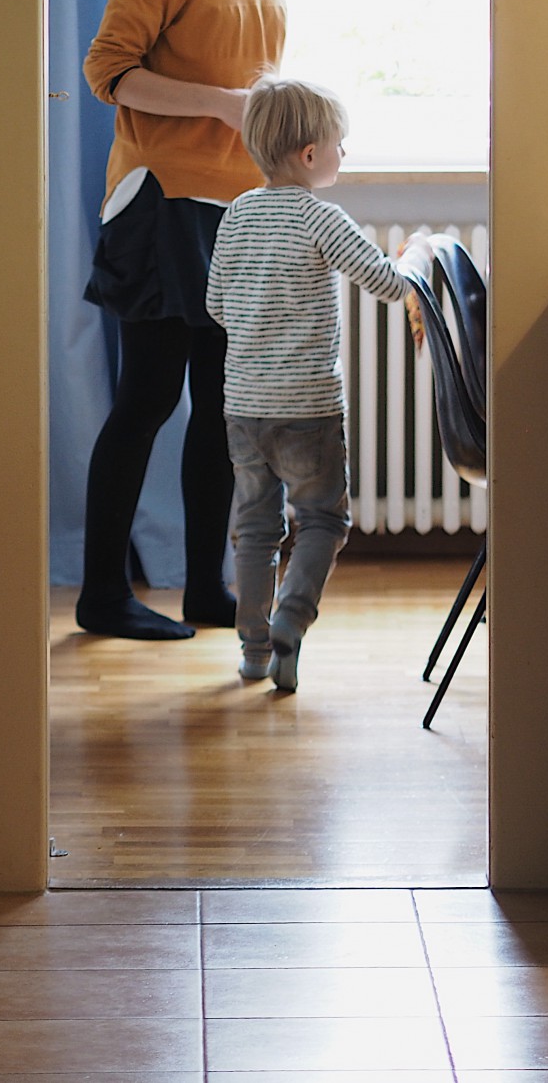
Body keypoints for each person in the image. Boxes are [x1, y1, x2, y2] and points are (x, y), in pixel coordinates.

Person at [78, 0, 294, 641]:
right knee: (148, 398)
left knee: (223, 403)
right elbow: (110, 73)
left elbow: (253, 72)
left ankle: (207, 588)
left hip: (242, 200)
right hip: (164, 199)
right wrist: (217, 103)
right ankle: (102, 594)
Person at [205, 77, 427, 691]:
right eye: (339, 144)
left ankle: (252, 649)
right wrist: (414, 256)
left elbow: (216, 304)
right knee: (323, 521)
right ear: (310, 155)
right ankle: (290, 621)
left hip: (243, 409)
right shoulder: (320, 217)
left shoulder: (236, 215)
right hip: (308, 409)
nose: (343, 155)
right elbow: (386, 282)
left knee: (254, 526)